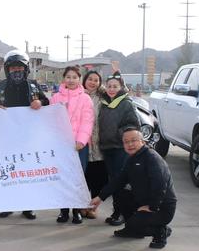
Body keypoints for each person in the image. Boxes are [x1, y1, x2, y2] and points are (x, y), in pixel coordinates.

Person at [0, 49, 49, 220]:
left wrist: (39, 101)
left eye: (19, 68)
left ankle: (28, 206)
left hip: (28, 138)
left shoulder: (34, 85)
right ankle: (7, 204)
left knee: (26, 172)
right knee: (7, 171)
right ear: (7, 70)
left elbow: (48, 102)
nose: (16, 71)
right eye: (13, 69)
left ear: (26, 69)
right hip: (5, 138)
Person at [90, 128, 176, 249]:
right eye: (126, 141)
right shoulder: (131, 159)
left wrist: (152, 207)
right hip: (144, 200)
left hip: (162, 207)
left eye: (133, 140)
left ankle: (161, 231)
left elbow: (160, 185)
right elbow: (119, 181)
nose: (130, 144)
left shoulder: (152, 158)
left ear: (142, 142)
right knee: (121, 193)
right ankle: (132, 230)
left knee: (135, 222)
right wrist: (100, 197)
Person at [50, 66, 94, 224]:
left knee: (77, 179)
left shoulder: (85, 99)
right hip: (61, 146)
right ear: (64, 79)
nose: (71, 80)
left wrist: (81, 140)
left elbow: (87, 121)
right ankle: (63, 211)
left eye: (74, 77)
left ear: (79, 79)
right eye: (68, 77)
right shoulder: (55, 98)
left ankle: (77, 211)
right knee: (62, 179)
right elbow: (51, 121)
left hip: (78, 146)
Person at [98, 71, 140, 226]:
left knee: (120, 181)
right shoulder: (104, 103)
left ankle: (122, 212)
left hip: (120, 148)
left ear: (121, 87)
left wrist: (118, 134)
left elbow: (133, 124)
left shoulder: (126, 103)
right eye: (109, 86)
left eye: (115, 86)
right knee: (113, 180)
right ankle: (117, 211)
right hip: (107, 147)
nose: (112, 89)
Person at [82, 70, 108, 219]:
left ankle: (93, 207)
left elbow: (121, 91)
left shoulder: (103, 96)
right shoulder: (79, 95)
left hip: (99, 142)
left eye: (96, 80)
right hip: (83, 142)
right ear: (84, 80)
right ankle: (83, 205)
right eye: (90, 79)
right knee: (84, 176)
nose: (92, 82)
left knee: (98, 176)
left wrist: (117, 75)